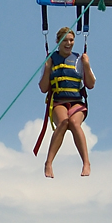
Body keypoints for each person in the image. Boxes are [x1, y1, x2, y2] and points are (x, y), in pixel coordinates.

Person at [38, 27, 94, 178]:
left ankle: (86, 163)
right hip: (58, 102)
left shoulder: (79, 60)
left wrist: (87, 65)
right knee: (63, 122)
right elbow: (43, 88)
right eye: (65, 40)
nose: (69, 43)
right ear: (58, 42)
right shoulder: (50, 60)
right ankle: (48, 163)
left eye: (71, 40)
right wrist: (48, 68)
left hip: (76, 102)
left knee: (74, 123)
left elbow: (91, 84)